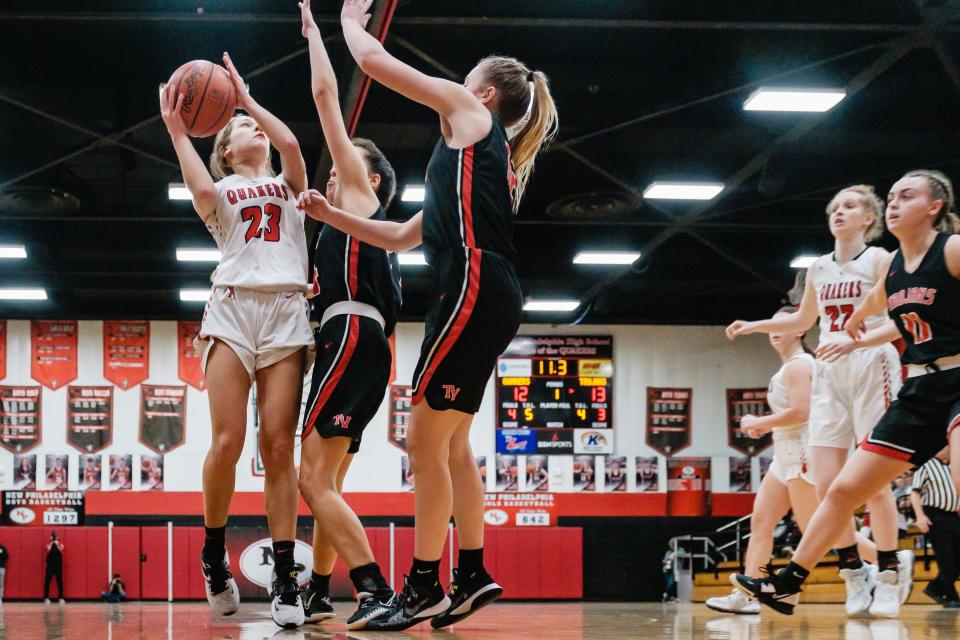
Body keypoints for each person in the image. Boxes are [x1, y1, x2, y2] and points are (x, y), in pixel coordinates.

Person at [296, 0, 558, 629]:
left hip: (469, 283)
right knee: (453, 443)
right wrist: (330, 216)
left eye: (466, 76)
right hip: (487, 285)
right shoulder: (465, 162)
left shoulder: (470, 113)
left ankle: (422, 586)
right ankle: (469, 573)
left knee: (424, 440)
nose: (457, 83)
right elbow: (397, 237)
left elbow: (375, 62)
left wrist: (349, 22)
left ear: (485, 91)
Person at [733, 169, 960, 616]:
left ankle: (890, 572)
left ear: (934, 207)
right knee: (839, 490)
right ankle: (788, 583)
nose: (894, 202)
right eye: (891, 195)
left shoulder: (949, 248)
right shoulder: (894, 267)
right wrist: (855, 324)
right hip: (920, 387)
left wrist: (859, 338)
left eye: (906, 196)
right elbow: (876, 303)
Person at [160, 51, 312, 628]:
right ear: (224, 151)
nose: (251, 129)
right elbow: (197, 182)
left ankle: (283, 575)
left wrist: (248, 101)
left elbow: (294, 146)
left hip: (287, 311)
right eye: (240, 126)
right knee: (226, 441)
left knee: (278, 447)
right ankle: (212, 555)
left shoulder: (287, 183)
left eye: (254, 125)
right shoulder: (221, 194)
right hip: (230, 310)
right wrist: (178, 131)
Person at [295, 1, 402, 629]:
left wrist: (320, 34)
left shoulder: (362, 198)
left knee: (312, 478)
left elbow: (327, 98)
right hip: (365, 342)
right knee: (326, 479)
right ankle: (316, 591)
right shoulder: (347, 225)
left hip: (353, 336)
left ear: (371, 179)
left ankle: (374, 589)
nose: (336, 169)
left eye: (346, 162)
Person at [708, 308, 820, 615]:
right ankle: (747, 596)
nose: (775, 329)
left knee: (817, 529)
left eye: (784, 323)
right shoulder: (785, 369)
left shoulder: (799, 366)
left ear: (799, 329)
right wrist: (766, 425)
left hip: (802, 453)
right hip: (783, 455)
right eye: (773, 323)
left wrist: (762, 420)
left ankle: (883, 561)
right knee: (761, 522)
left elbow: (802, 412)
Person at [910, 446, 960, 607]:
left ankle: (934, 588)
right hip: (934, 516)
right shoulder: (926, 465)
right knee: (946, 558)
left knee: (957, 558)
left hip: (954, 516)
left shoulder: (954, 465)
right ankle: (951, 596)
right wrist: (920, 516)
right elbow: (915, 492)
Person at [44, 532, 64, 604]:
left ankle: (61, 598)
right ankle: (46, 598)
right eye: (53, 537)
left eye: (56, 537)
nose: (55, 538)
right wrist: (52, 543)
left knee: (59, 581)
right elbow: (48, 550)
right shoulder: (48, 545)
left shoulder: (60, 545)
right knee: (47, 581)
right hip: (50, 566)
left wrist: (57, 544)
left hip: (58, 566)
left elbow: (62, 551)